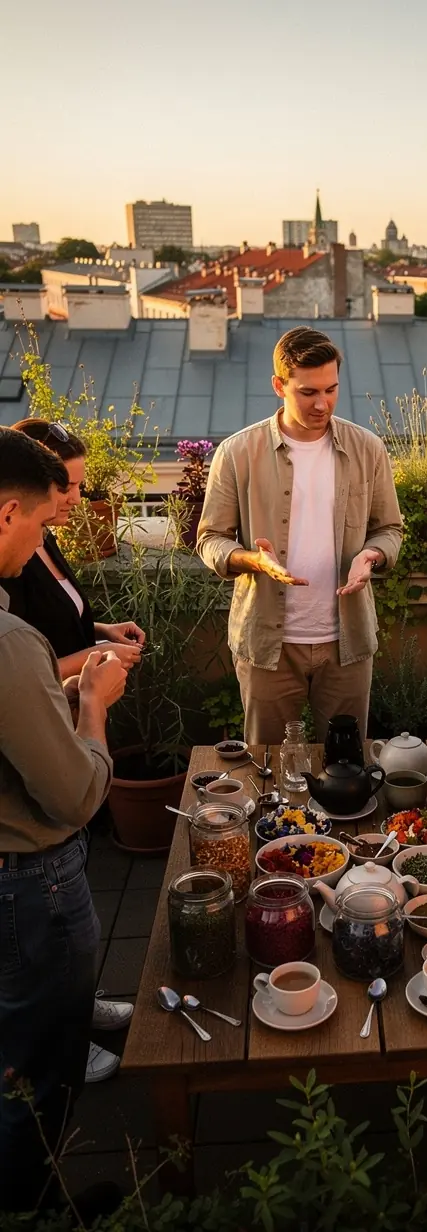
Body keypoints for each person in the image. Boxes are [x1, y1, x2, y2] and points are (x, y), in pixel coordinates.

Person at [0, 428, 128, 1212]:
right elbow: (77, 796)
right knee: (36, 1070)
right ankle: (37, 1209)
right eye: (42, 524)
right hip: (30, 885)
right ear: (8, 512)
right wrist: (93, 708)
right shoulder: (11, 642)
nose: (44, 540)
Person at [198, 326, 403, 745]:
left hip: (347, 642)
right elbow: (211, 538)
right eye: (308, 392)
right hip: (267, 646)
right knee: (268, 768)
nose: (322, 403)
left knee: (347, 767)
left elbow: (389, 529)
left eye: (331, 390)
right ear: (279, 385)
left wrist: (371, 557)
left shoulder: (368, 448)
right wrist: (252, 561)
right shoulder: (237, 453)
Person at [3, 419, 144, 679]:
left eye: (80, 486)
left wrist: (99, 631)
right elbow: (20, 669)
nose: (77, 499)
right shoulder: (11, 560)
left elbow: (47, 622)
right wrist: (97, 656)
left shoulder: (44, 538)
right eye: (66, 487)